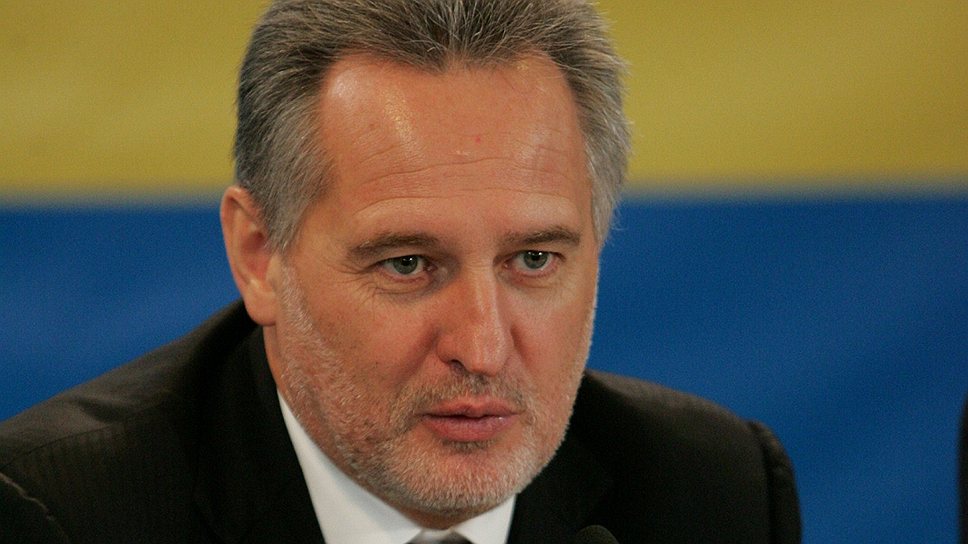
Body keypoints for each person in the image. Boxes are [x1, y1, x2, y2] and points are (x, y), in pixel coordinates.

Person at [0, 1, 801, 542]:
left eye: (533, 260)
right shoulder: (58, 515)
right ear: (259, 255)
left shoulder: (713, 494)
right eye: (409, 264)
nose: (482, 348)